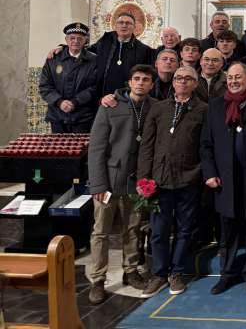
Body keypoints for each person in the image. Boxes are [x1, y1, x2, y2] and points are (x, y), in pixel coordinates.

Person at [86, 64, 156, 304]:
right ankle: (97, 279)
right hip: (108, 180)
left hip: (136, 181)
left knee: (132, 228)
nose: (141, 83)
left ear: (152, 84)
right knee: (101, 231)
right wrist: (97, 185)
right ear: (129, 82)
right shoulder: (111, 106)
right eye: (136, 79)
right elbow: (96, 149)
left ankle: (131, 271)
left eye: (146, 80)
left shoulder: (154, 107)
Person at [137, 65, 208, 297]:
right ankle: (159, 273)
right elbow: (146, 146)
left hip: (189, 179)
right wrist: (143, 178)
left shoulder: (203, 110)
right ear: (173, 82)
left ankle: (177, 272)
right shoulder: (158, 109)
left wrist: (199, 172)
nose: (183, 82)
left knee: (185, 229)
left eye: (188, 79)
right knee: (159, 231)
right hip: (159, 180)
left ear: (195, 84)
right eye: (179, 78)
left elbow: (205, 146)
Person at [200, 62, 246, 295]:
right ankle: (226, 274)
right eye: (230, 77)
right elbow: (206, 144)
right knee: (227, 231)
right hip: (224, 181)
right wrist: (209, 173)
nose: (233, 81)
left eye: (238, 77)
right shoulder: (216, 105)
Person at [39, 22, 98, 134]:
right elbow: (44, 86)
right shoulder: (53, 58)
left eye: (80, 38)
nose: (76, 41)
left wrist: (75, 102)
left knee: (82, 150)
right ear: (66, 40)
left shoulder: (94, 60)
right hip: (57, 116)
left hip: (83, 117)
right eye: (72, 38)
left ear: (85, 40)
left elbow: (95, 87)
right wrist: (59, 102)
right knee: (58, 150)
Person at [89, 12, 155, 99]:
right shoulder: (104, 42)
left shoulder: (143, 50)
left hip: (128, 98)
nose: (124, 25)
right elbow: (86, 55)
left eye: (128, 23)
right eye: (121, 22)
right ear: (115, 26)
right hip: (101, 95)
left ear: (134, 27)